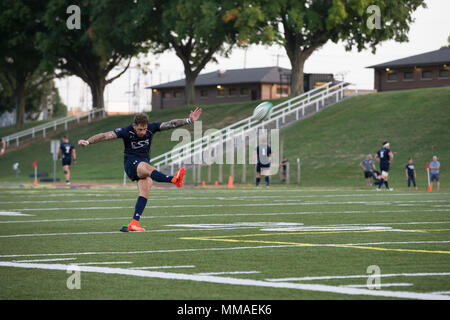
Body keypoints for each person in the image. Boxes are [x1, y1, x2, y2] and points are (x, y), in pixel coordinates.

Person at [78, 108, 202, 232]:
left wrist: (188, 120)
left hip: (143, 165)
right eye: (140, 129)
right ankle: (174, 179)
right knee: (147, 167)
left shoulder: (151, 128)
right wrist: (88, 142)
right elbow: (105, 135)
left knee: (146, 188)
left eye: (144, 129)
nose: (143, 132)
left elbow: (170, 124)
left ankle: (134, 222)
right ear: (134, 126)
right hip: (131, 164)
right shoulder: (126, 131)